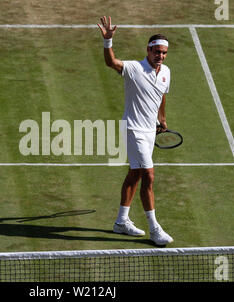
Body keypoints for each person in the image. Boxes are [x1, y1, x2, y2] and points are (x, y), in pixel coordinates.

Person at [98, 16, 173, 245]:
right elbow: (111, 62)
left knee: (136, 174)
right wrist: (108, 42)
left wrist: (161, 118)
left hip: (150, 131)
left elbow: (161, 95)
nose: (160, 56)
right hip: (133, 129)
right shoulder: (133, 68)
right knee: (148, 175)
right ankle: (155, 229)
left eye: (163, 53)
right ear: (148, 50)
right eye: (156, 51)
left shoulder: (165, 72)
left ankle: (121, 222)